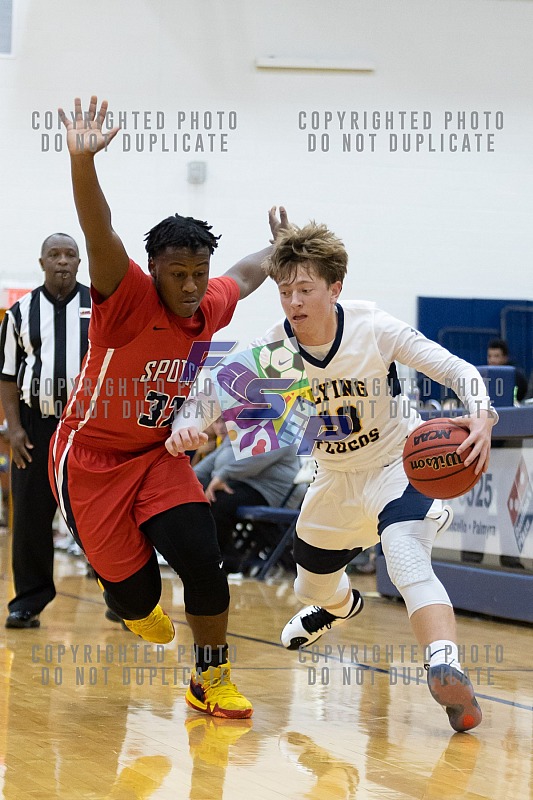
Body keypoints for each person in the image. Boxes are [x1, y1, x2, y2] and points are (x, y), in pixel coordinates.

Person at [166, 221, 496, 733]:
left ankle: (444, 666)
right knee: (310, 584)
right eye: (284, 291)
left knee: (407, 556)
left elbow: (456, 370)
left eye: (305, 289)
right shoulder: (277, 347)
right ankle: (338, 608)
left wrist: (480, 412)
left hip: (395, 468)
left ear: (334, 288)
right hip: (333, 478)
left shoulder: (372, 327)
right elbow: (213, 388)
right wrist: (189, 423)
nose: (293, 302)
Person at [50, 95, 287, 719]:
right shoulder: (124, 296)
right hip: (91, 458)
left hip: (155, 458)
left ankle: (212, 679)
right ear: (152, 270)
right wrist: (82, 163)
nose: (189, 285)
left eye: (196, 272)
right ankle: (131, 601)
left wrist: (279, 251)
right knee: (140, 603)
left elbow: (247, 271)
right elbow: (98, 225)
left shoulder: (206, 301)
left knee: (203, 562)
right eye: (177, 273)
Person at [0, 233, 90, 629]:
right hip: (35, 424)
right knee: (32, 516)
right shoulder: (20, 311)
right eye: (54, 254)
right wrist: (14, 429)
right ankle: (28, 601)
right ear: (42, 263)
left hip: (86, 427)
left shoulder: (98, 306)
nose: (62, 261)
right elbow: (5, 376)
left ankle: (123, 598)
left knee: (99, 514)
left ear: (79, 262)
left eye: (70, 254)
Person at [193, 421, 300, 571]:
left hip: (271, 491)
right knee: (195, 492)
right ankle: (203, 554)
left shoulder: (281, 430)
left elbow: (256, 459)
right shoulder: (240, 427)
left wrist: (222, 475)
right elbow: (215, 457)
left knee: (217, 500)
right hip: (240, 483)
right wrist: (189, 479)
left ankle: (227, 559)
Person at [486, 337, 528, 403]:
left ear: (505, 358)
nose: (492, 360)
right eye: (489, 356)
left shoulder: (516, 376)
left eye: (496, 356)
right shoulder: (484, 375)